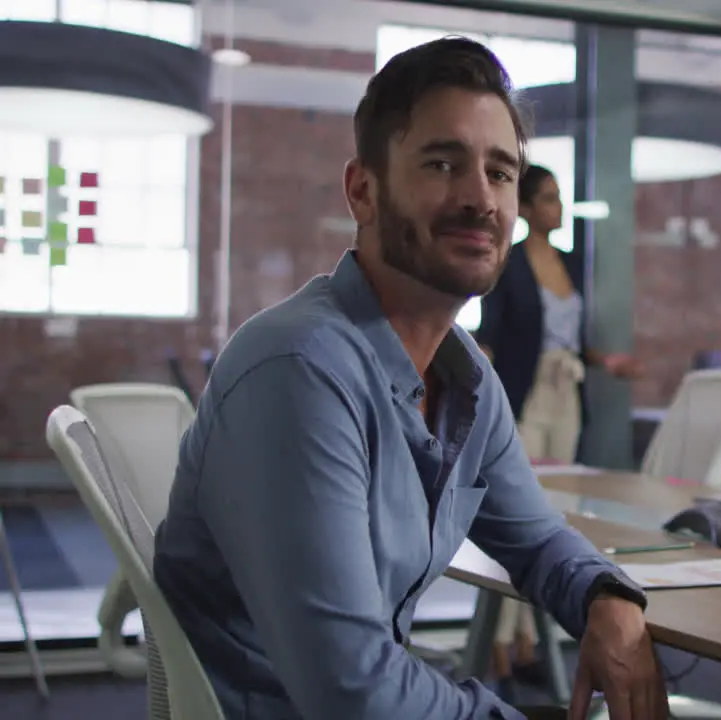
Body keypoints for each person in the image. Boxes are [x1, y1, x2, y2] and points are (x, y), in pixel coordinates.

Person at [152, 37, 668, 720]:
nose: (481, 199)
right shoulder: (300, 370)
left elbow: (538, 537)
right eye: (442, 163)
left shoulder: (462, 377)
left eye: (501, 172)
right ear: (363, 191)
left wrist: (607, 598)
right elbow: (353, 690)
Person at [473, 165, 641, 690]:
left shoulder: (570, 263)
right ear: (523, 207)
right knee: (519, 509)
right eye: (548, 198)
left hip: (566, 391)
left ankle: (528, 640)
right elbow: (492, 333)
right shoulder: (510, 262)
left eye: (559, 197)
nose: (558, 207)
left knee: (555, 511)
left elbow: (569, 335)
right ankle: (499, 640)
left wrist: (605, 362)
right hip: (525, 394)